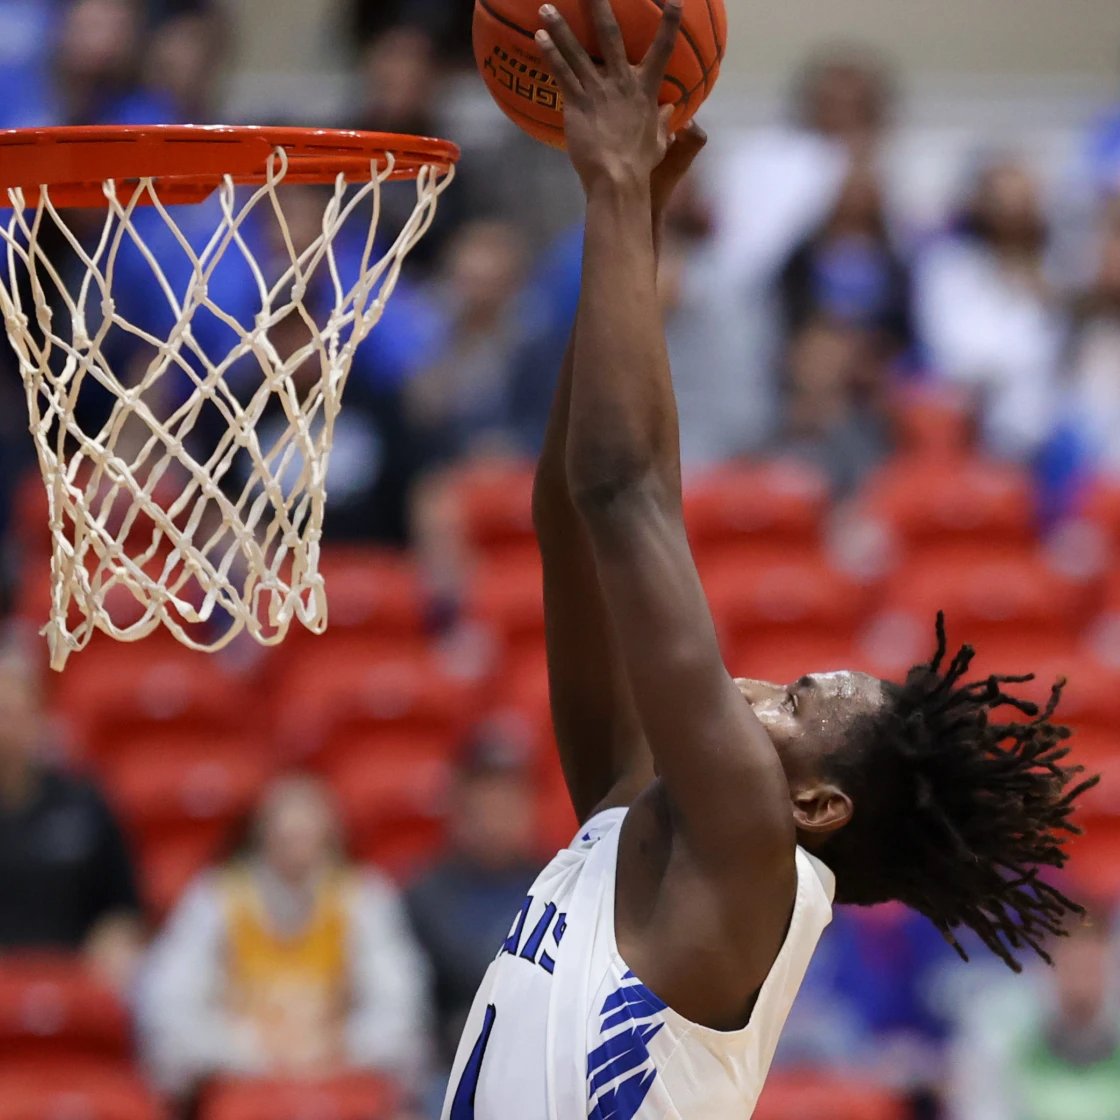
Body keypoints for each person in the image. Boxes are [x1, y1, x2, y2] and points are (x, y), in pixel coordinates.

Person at [440, 3, 1099, 1118]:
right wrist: (635, 231)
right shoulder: (641, 821)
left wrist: (610, 192)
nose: (750, 686)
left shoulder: (755, 862)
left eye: (795, 701)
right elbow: (569, 520)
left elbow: (622, 494)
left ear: (818, 806)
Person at [139, 775, 430, 1099]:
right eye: (285, 830)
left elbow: (400, 1007)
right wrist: (250, 1051)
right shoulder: (216, 898)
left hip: (341, 1078)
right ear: (259, 832)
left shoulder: (363, 898)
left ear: (332, 834)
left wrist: (341, 1047)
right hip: (238, 1080)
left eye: (306, 829)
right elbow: (167, 1005)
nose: (295, 838)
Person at [0, 649, 143, 993]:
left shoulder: (84, 802)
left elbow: (123, 909)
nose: (6, 730)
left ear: (40, 718)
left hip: (75, 982)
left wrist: (116, 941)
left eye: (16, 714)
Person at [406, 733, 541, 1071]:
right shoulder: (423, 895)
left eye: (508, 798)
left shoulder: (556, 886)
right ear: (460, 805)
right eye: (485, 799)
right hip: (452, 1068)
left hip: (541, 1058)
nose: (496, 813)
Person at [949, 908, 1120, 1120]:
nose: (1081, 978)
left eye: (1092, 966)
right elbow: (978, 1102)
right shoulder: (1000, 1014)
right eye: (1072, 963)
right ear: (1046, 963)